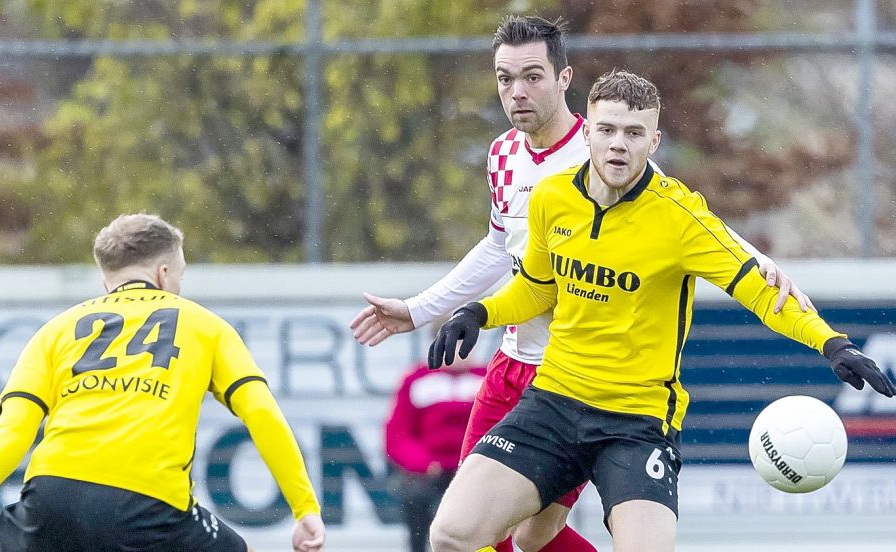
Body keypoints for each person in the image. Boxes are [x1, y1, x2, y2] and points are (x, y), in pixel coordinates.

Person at [350, 15, 813, 552]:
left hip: (570, 378)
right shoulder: (503, 155)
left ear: (565, 78)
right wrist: (420, 309)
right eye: (504, 79)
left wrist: (762, 266)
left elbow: (691, 220)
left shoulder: (603, 151)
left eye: (532, 76)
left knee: (526, 536)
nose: (517, 92)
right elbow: (502, 246)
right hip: (509, 364)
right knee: (472, 533)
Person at [425, 69, 896, 552]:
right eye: (606, 130)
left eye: (633, 133)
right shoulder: (552, 198)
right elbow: (539, 289)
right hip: (553, 402)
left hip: (637, 422)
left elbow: (761, 291)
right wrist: (479, 313)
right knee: (453, 536)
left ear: (654, 141)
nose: (617, 145)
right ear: (587, 132)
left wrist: (831, 342)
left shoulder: (681, 217)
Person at [0, 213, 326, 552]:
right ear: (164, 273)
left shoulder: (55, 331)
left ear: (106, 282)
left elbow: (13, 428)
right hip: (145, 506)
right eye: (181, 276)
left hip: (48, 505)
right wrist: (304, 508)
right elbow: (261, 413)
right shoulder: (206, 326)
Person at [385, 355, 485, 552]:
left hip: (474, 468)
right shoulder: (417, 380)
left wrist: (477, 460)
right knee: (415, 495)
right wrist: (424, 463)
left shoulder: (486, 378)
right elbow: (398, 435)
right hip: (430, 471)